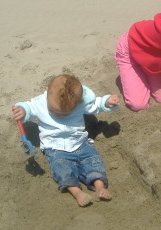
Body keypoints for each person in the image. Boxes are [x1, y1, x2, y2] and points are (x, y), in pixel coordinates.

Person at [12, 74, 120, 207]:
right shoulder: (41, 102)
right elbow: (29, 107)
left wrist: (106, 102)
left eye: (64, 114)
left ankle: (99, 186)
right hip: (55, 148)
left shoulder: (80, 102)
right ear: (46, 93)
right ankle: (76, 192)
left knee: (93, 160)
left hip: (81, 143)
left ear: (79, 102)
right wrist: (22, 110)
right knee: (61, 168)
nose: (59, 116)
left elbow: (96, 105)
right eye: (55, 111)